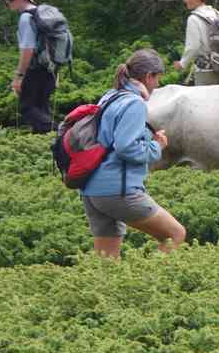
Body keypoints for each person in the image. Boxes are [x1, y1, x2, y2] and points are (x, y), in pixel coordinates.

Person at [80, 48, 186, 258]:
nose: (158, 85)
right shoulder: (134, 103)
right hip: (118, 190)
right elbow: (125, 147)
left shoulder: (110, 96)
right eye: (158, 79)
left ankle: (106, 290)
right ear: (149, 76)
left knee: (106, 259)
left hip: (91, 189)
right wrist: (157, 146)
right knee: (174, 234)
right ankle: (148, 286)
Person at [0, 0, 56, 133]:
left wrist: (18, 77)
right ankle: (48, 143)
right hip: (50, 69)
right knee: (41, 108)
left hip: (35, 69)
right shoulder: (43, 15)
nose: (7, 2)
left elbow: (27, 50)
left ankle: (59, 132)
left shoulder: (26, 18)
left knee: (27, 108)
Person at [172, 0, 219, 85]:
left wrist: (182, 64)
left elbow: (193, 46)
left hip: (206, 70)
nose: (185, 0)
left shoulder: (194, 18)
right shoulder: (217, 14)